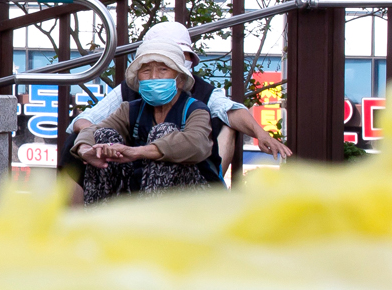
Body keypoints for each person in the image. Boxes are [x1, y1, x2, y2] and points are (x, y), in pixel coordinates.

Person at [69, 19, 293, 166]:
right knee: (77, 145)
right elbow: (88, 122)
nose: (155, 76)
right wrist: (91, 146)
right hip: (132, 168)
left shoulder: (198, 103)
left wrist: (260, 133)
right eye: (148, 68)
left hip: (186, 172)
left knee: (168, 133)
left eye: (165, 67)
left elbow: (228, 113)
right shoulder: (129, 101)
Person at [74, 32, 217, 204]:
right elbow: (93, 130)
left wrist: (137, 152)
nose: (154, 77)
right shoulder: (131, 109)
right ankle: (103, 219)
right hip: (137, 191)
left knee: (164, 132)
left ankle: (155, 223)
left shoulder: (196, 110)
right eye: (146, 71)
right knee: (103, 137)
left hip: (190, 200)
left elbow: (196, 143)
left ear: (180, 79)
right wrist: (86, 149)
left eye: (163, 69)